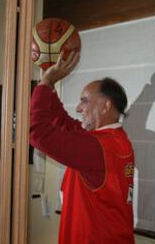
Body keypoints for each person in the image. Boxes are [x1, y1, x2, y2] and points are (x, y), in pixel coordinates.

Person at [30, 52, 135, 243]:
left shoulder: (97, 147)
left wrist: (45, 84)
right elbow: (63, 123)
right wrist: (49, 83)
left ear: (105, 106)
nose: (78, 108)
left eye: (84, 100)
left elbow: (38, 133)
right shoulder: (113, 140)